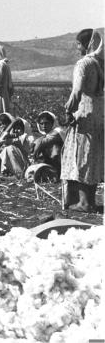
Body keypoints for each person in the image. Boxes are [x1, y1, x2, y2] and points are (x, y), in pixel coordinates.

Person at [60, 29, 105, 212]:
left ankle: (83, 203)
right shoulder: (99, 64)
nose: (77, 47)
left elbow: (77, 90)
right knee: (93, 155)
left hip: (84, 113)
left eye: (79, 43)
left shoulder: (83, 64)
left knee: (81, 156)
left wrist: (69, 110)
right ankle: (91, 201)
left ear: (87, 45)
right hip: (99, 113)